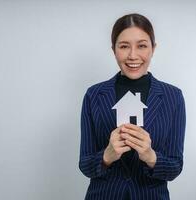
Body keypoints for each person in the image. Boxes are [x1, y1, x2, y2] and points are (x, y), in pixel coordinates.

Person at [79, 13, 186, 200]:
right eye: (124, 46)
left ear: (153, 48)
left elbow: (175, 167)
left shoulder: (173, 97)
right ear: (114, 50)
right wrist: (106, 156)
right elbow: (85, 164)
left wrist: (150, 156)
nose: (133, 55)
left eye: (142, 46)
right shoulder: (93, 95)